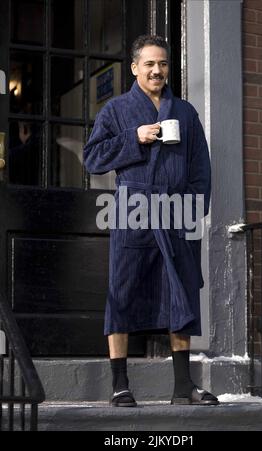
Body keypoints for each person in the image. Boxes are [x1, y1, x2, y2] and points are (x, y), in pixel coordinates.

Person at [83, 35, 219, 407]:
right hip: (134, 212)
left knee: (182, 293)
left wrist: (192, 210)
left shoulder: (186, 113)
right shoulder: (116, 111)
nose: (157, 70)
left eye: (162, 64)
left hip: (177, 213)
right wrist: (133, 138)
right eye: (149, 64)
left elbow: (201, 171)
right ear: (135, 68)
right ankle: (120, 384)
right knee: (122, 293)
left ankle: (182, 387)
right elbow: (92, 158)